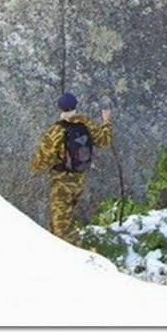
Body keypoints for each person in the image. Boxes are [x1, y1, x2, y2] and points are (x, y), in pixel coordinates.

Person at [31, 92, 112, 246]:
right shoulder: (86, 123)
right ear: (76, 105)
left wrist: (36, 167)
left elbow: (40, 161)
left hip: (62, 182)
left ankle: (84, 257)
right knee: (60, 220)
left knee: (62, 227)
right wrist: (106, 122)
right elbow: (104, 141)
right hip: (79, 179)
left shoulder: (57, 130)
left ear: (60, 107)